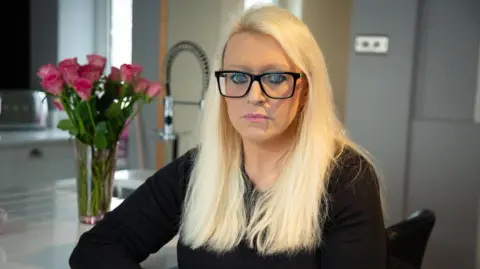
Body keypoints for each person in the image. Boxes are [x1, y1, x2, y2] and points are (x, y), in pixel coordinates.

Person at [69, 5, 387, 269]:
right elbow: (98, 246)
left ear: (303, 90)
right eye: (237, 77)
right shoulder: (197, 170)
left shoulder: (346, 178)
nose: (254, 95)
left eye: (275, 78)